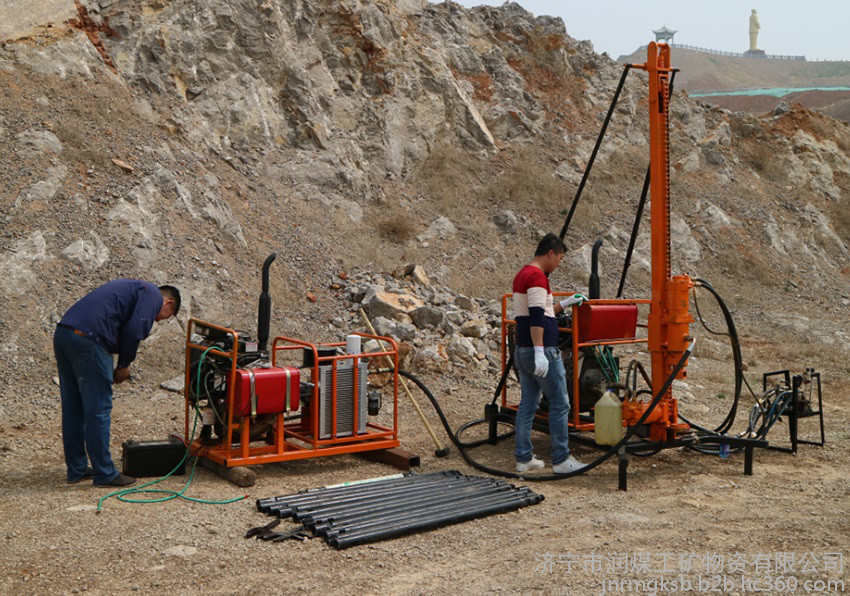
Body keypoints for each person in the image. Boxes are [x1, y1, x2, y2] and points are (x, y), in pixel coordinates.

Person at [54, 280, 181, 487]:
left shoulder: (133, 290)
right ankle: (105, 473)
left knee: (74, 408)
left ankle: (77, 469)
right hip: (89, 341)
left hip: (65, 334)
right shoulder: (152, 294)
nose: (158, 320)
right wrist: (123, 364)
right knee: (98, 409)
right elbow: (135, 329)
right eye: (165, 316)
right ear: (168, 302)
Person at [512, 233, 585, 474]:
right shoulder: (537, 277)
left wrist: (565, 304)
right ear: (551, 253)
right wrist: (540, 351)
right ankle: (562, 460)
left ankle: (523, 458)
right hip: (540, 350)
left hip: (523, 349)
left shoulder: (523, 274)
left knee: (528, 404)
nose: (559, 264)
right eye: (559, 258)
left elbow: (541, 310)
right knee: (560, 403)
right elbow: (536, 317)